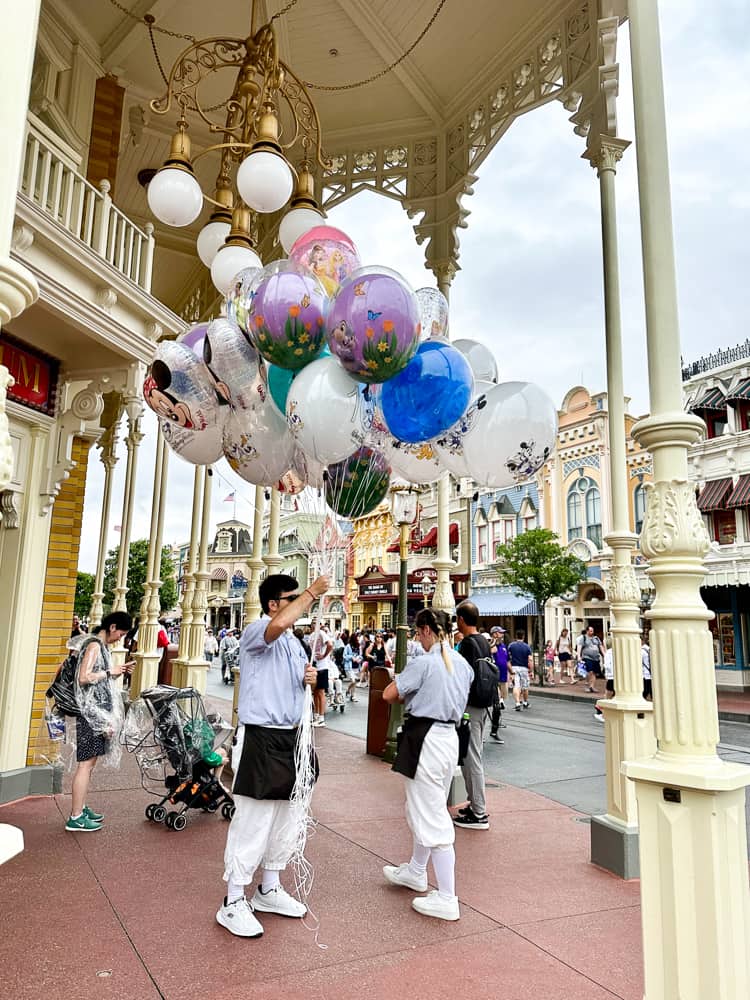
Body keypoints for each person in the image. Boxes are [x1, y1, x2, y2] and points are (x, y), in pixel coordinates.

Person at [217, 572, 329, 939]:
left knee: (286, 815)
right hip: (261, 735)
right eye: (292, 596)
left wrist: (309, 680)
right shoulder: (258, 628)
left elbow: (296, 681)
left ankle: (268, 887)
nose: (300, 601)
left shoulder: (295, 643)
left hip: (291, 736)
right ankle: (233, 900)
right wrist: (313, 592)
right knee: (255, 817)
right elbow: (279, 624)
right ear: (273, 604)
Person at [382, 607, 472, 921]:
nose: (418, 640)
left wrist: (405, 685)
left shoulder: (425, 662)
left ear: (426, 631)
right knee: (424, 805)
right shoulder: (462, 664)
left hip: (426, 738)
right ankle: (417, 870)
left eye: (419, 634)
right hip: (448, 738)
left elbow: (389, 694)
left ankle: (447, 896)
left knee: (430, 812)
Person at [66, 611, 134, 832]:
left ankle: (81, 807)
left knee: (90, 762)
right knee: (85, 763)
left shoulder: (101, 646)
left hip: (96, 712)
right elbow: (83, 678)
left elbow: (97, 677)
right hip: (90, 713)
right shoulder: (94, 645)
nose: (120, 638)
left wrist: (116, 672)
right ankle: (75, 817)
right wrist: (109, 671)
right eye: (121, 634)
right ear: (112, 627)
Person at [453, 601, 492, 830]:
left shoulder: (468, 644)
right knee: (471, 755)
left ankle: (479, 813)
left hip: (472, 704)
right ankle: (474, 803)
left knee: (471, 757)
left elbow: (461, 675)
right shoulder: (483, 641)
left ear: (460, 619)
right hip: (484, 702)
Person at [311, 625, 333, 727]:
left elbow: (330, 645)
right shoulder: (311, 635)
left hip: (322, 667)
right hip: (314, 666)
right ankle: (316, 715)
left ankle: (321, 717)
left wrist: (323, 656)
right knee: (315, 692)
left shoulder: (321, 633)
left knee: (321, 692)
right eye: (313, 622)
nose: (314, 624)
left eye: (316, 622)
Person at [489, 627, 508, 740]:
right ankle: (494, 730)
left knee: (501, 701)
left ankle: (497, 722)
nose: (502, 635)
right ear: (495, 634)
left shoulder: (503, 646)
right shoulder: (491, 644)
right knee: (497, 703)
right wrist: (493, 643)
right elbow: (490, 652)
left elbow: (507, 660)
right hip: (493, 678)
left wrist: (511, 671)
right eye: (500, 633)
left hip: (503, 677)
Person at [508, 629, 533, 711]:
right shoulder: (527, 647)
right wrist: (531, 670)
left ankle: (517, 703)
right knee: (525, 686)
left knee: (516, 686)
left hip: (514, 667)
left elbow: (508, 657)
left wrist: (509, 668)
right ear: (523, 636)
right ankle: (525, 702)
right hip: (524, 668)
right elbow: (530, 659)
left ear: (516, 636)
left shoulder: (511, 646)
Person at [578, 625, 604, 693]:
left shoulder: (596, 638)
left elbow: (601, 647)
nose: (592, 632)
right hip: (587, 657)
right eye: (590, 631)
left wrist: (604, 655)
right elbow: (579, 647)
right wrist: (579, 656)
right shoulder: (583, 638)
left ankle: (592, 686)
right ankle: (588, 685)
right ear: (587, 631)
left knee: (594, 673)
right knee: (590, 671)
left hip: (596, 658)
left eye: (592, 631)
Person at [642, 635, 652, 700]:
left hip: (645, 674)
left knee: (644, 694)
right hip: (651, 674)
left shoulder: (641, 651)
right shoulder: (649, 649)